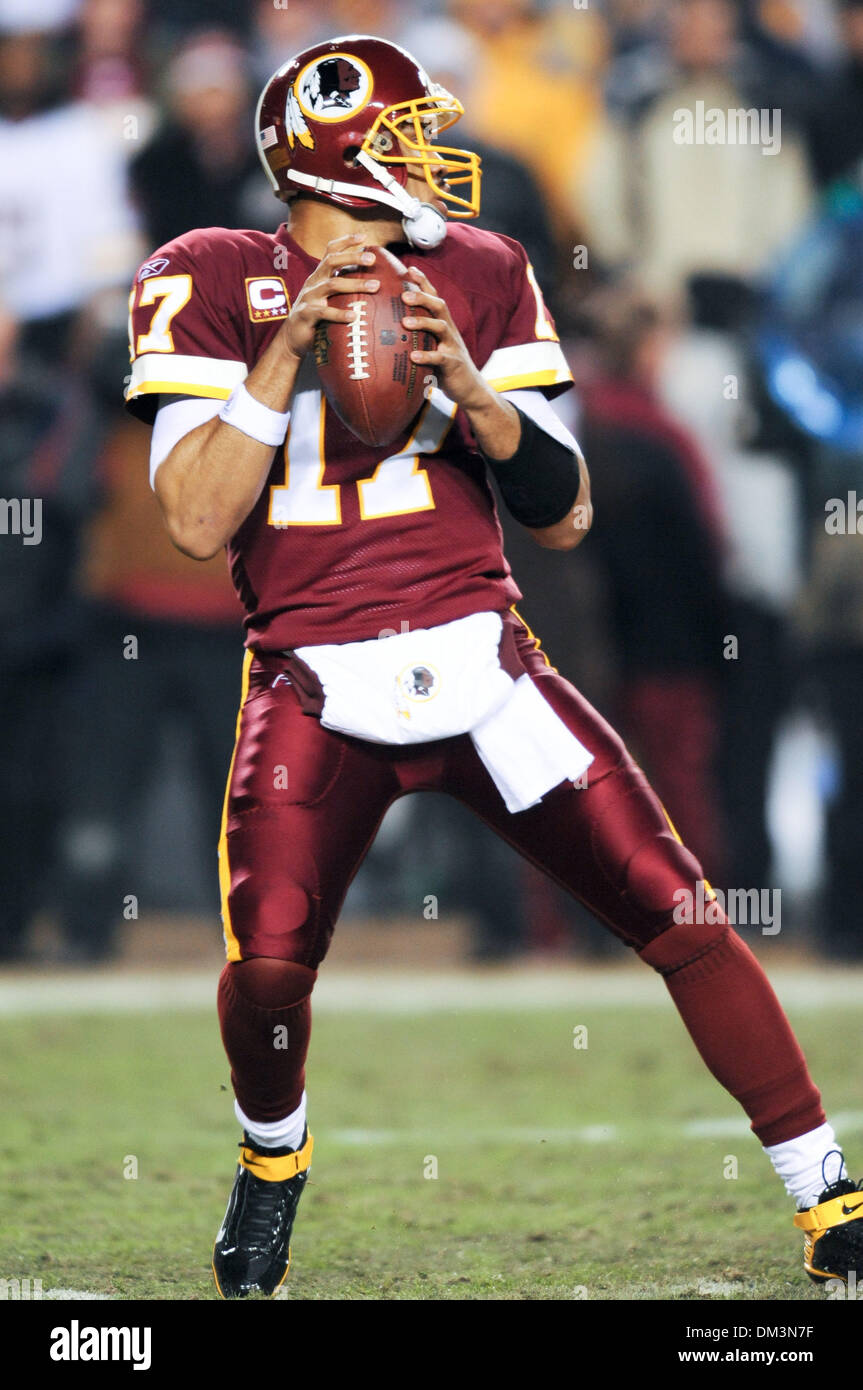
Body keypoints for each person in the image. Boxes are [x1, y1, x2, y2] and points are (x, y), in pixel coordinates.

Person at [124, 35, 863, 1298]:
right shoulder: (206, 275)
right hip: (312, 673)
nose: (437, 162)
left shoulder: (477, 269)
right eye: (406, 138)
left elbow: (563, 512)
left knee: (678, 914)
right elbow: (197, 523)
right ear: (331, 155)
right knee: (269, 969)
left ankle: (827, 1194)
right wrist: (287, 352)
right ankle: (271, 1157)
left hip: (481, 656)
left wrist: (477, 394)